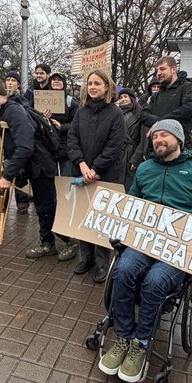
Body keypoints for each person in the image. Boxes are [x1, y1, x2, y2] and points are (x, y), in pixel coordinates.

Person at [98, 119, 192, 383]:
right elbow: (132, 205)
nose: (158, 140)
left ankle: (141, 343)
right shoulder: (145, 169)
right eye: (155, 136)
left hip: (178, 248)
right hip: (145, 240)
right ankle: (123, 337)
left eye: (164, 135)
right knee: (122, 270)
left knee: (155, 281)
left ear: (179, 139)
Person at [0, 77, 58, 259]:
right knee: (43, 204)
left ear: (3, 94)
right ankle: (50, 240)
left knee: (45, 205)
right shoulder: (7, 109)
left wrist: (7, 176)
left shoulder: (13, 111)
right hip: (33, 164)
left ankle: (53, 242)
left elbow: (25, 146)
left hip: (40, 165)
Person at [67, 69, 126, 282]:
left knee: (103, 220)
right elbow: (72, 139)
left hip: (105, 176)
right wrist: (82, 164)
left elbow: (115, 146)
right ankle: (86, 258)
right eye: (90, 83)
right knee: (84, 216)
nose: (92, 87)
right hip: (82, 173)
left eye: (97, 84)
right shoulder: (81, 112)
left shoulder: (116, 114)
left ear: (107, 87)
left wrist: (96, 169)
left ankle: (102, 262)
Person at [0, 71, 30, 215]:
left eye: (13, 80)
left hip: (15, 144)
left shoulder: (20, 102)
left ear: (18, 84)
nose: (10, 82)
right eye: (8, 80)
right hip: (0, 143)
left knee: (18, 174)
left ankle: (22, 201)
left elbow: (24, 141)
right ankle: (0, 202)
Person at [140, 56, 192, 150]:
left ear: (174, 69)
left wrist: (160, 122)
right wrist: (160, 122)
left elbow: (189, 107)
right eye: (157, 70)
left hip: (179, 148)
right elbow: (143, 114)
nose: (158, 73)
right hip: (156, 148)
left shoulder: (187, 87)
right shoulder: (156, 95)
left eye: (162, 69)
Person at [44, 71, 78, 177]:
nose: (56, 82)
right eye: (54, 80)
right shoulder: (43, 100)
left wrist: (62, 127)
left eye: (59, 80)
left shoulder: (71, 102)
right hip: (49, 145)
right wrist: (44, 118)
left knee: (66, 178)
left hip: (66, 146)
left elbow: (77, 124)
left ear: (64, 83)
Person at [117, 87, 142, 190]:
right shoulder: (115, 114)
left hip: (132, 154)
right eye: (120, 97)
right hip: (118, 155)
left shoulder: (140, 114)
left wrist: (136, 158)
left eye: (125, 96)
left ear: (131, 98)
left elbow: (143, 140)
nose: (122, 99)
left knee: (130, 187)